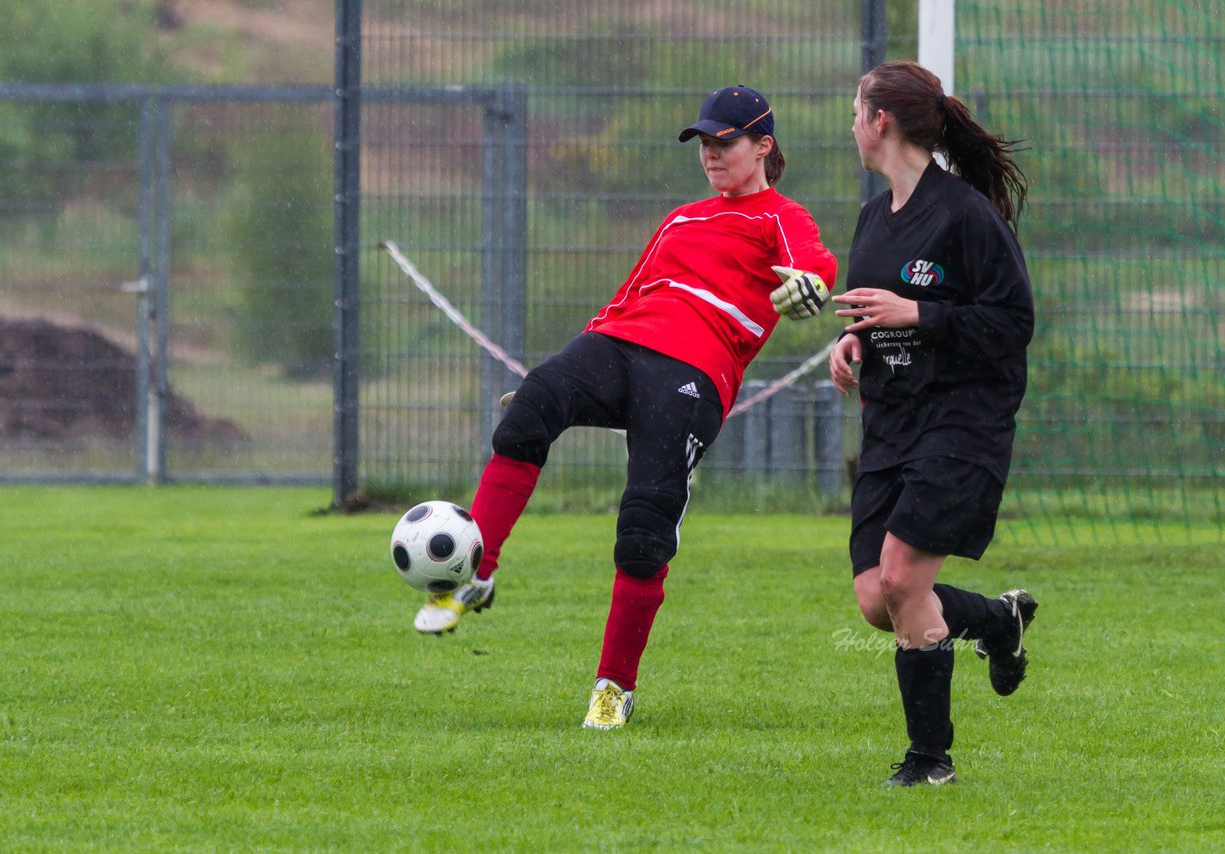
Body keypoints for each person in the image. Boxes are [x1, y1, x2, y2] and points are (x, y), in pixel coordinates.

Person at [413, 85, 838, 730]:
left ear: (763, 147)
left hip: (695, 372)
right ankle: (475, 574)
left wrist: (812, 285)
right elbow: (625, 299)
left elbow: (814, 263)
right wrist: (557, 388)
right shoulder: (680, 218)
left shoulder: (779, 217)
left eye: (725, 143)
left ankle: (614, 688)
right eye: (704, 143)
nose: (711, 155)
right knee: (530, 411)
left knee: (643, 530)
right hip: (620, 342)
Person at [826, 60, 1038, 786]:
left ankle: (930, 761)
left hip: (963, 422)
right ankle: (998, 622)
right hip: (893, 423)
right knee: (875, 600)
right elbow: (877, 318)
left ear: (880, 121)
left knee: (901, 578)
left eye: (855, 111)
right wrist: (853, 342)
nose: (851, 124)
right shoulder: (870, 219)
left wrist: (919, 312)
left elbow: (1012, 323)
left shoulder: (965, 215)